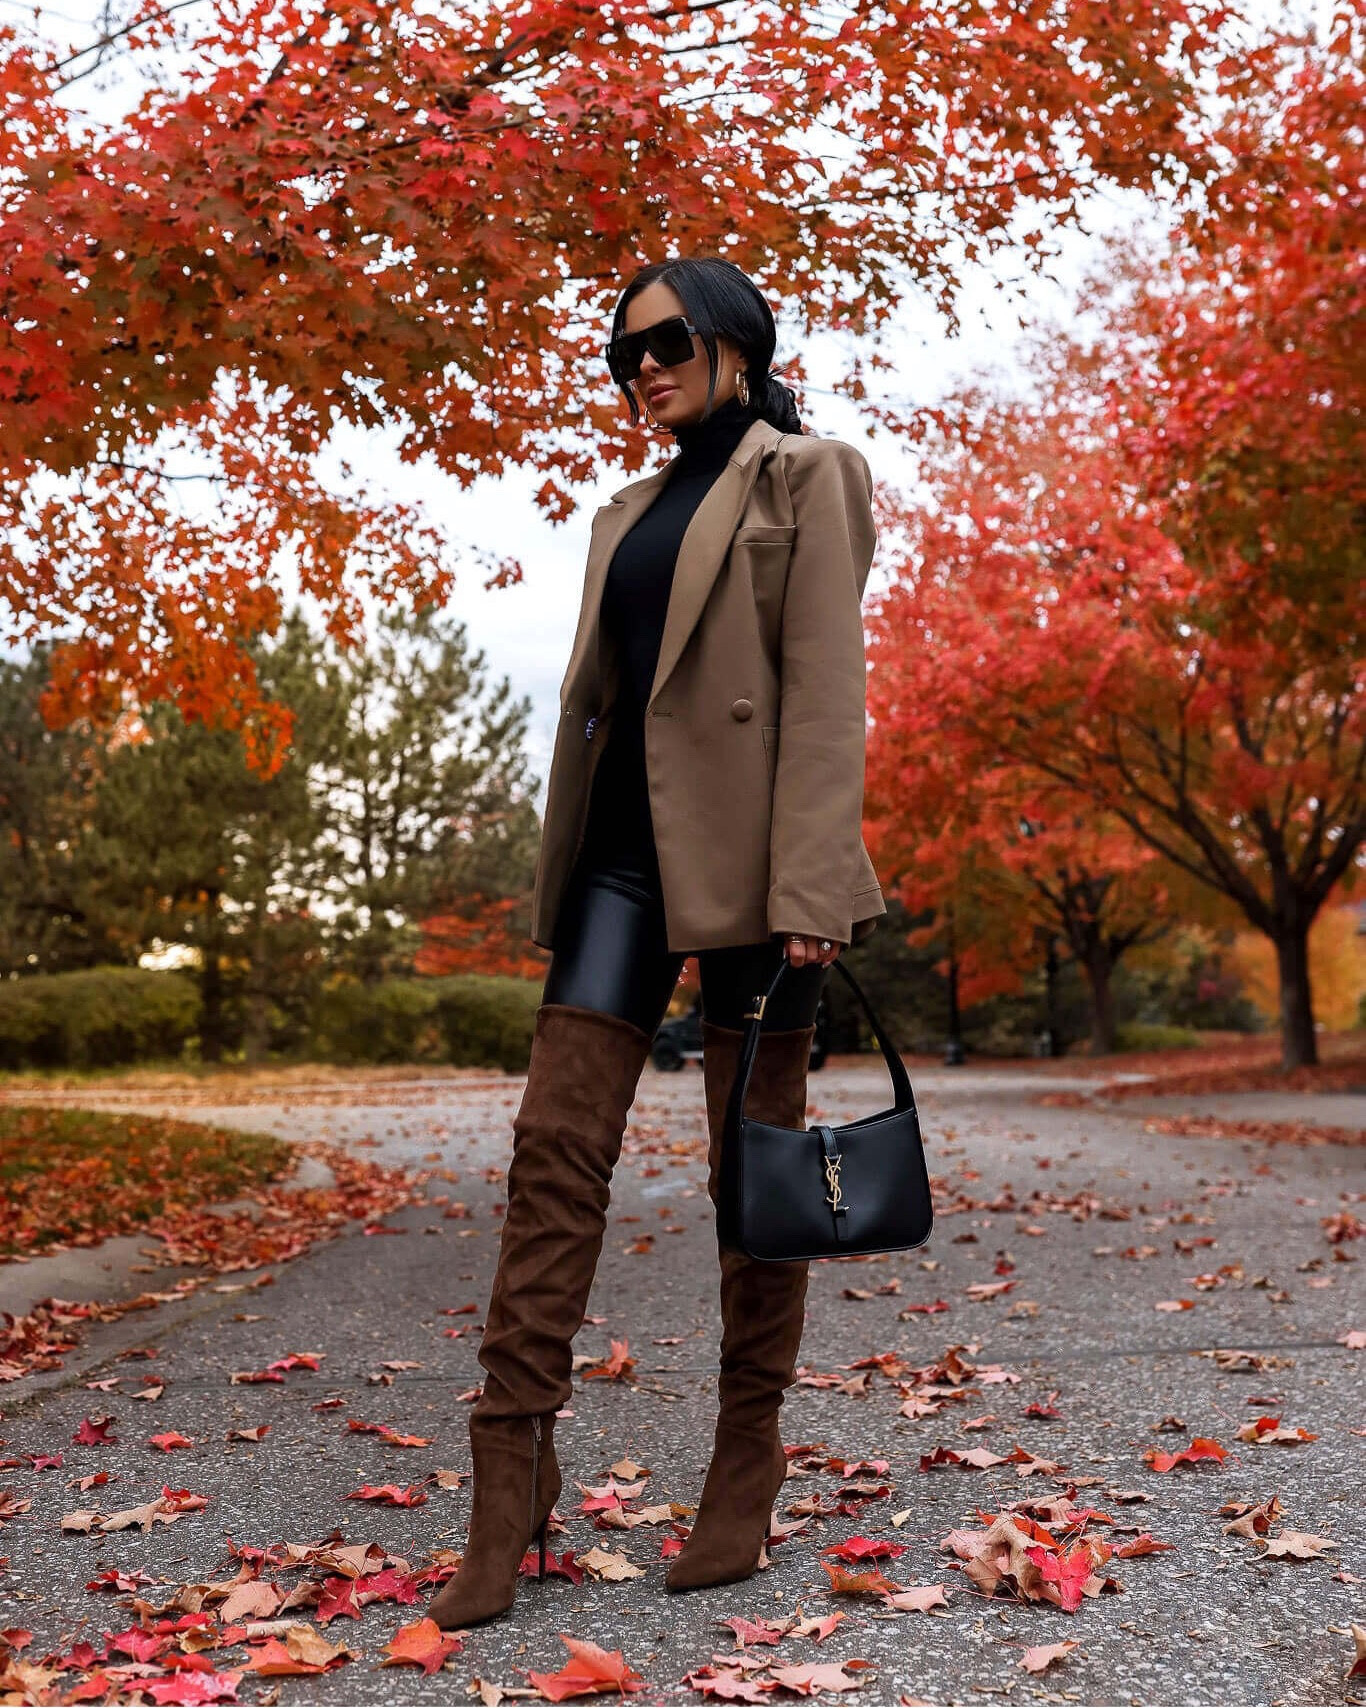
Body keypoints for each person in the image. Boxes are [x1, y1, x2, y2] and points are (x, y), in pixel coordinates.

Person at [427, 254, 885, 1630]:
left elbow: (823, 689)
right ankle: (510, 1475)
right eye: (622, 351)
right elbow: (607, 708)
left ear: (738, 345)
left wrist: (812, 885)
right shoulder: (624, 508)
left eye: (668, 340)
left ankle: (744, 1464)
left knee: (758, 1183)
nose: (643, 367)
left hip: (755, 869)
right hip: (622, 863)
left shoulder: (808, 477)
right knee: (552, 1150)